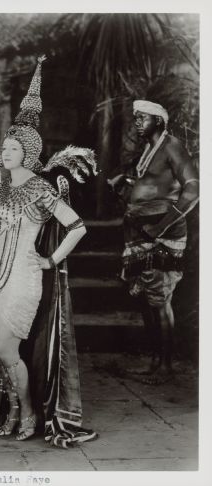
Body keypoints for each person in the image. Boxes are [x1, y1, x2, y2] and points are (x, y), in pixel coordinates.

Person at [0, 56, 88, 441]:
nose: (3, 153)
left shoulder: (41, 188)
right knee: (3, 354)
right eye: (3, 148)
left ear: (27, 152)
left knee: (8, 350)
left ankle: (27, 415)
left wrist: (51, 259)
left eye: (11, 149)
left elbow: (77, 226)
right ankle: (9, 417)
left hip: (24, 277)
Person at [109, 100, 199, 385]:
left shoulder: (171, 144)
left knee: (161, 300)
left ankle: (166, 367)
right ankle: (155, 362)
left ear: (158, 121)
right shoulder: (147, 150)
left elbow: (194, 188)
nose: (136, 122)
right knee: (148, 300)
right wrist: (123, 185)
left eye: (142, 118)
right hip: (140, 233)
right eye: (135, 117)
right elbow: (146, 190)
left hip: (162, 232)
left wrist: (159, 227)